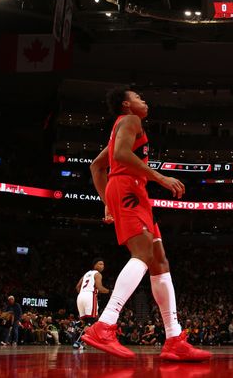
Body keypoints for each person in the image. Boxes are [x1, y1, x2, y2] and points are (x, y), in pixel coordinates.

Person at [82, 87, 210, 362]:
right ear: (127, 104)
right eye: (138, 97)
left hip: (131, 193)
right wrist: (160, 178)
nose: (144, 100)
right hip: (130, 189)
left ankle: (174, 338)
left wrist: (108, 201)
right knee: (142, 254)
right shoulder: (130, 120)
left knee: (159, 261)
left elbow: (96, 166)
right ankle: (104, 325)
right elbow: (122, 156)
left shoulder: (121, 127)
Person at [73, 258, 110, 349]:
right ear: (95, 265)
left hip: (80, 296)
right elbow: (100, 288)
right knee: (92, 321)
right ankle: (78, 341)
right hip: (90, 296)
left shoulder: (86, 274)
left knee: (86, 322)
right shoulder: (98, 274)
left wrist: (83, 294)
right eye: (100, 264)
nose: (102, 266)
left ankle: (78, 326)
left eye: (103, 264)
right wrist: (110, 291)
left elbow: (77, 287)